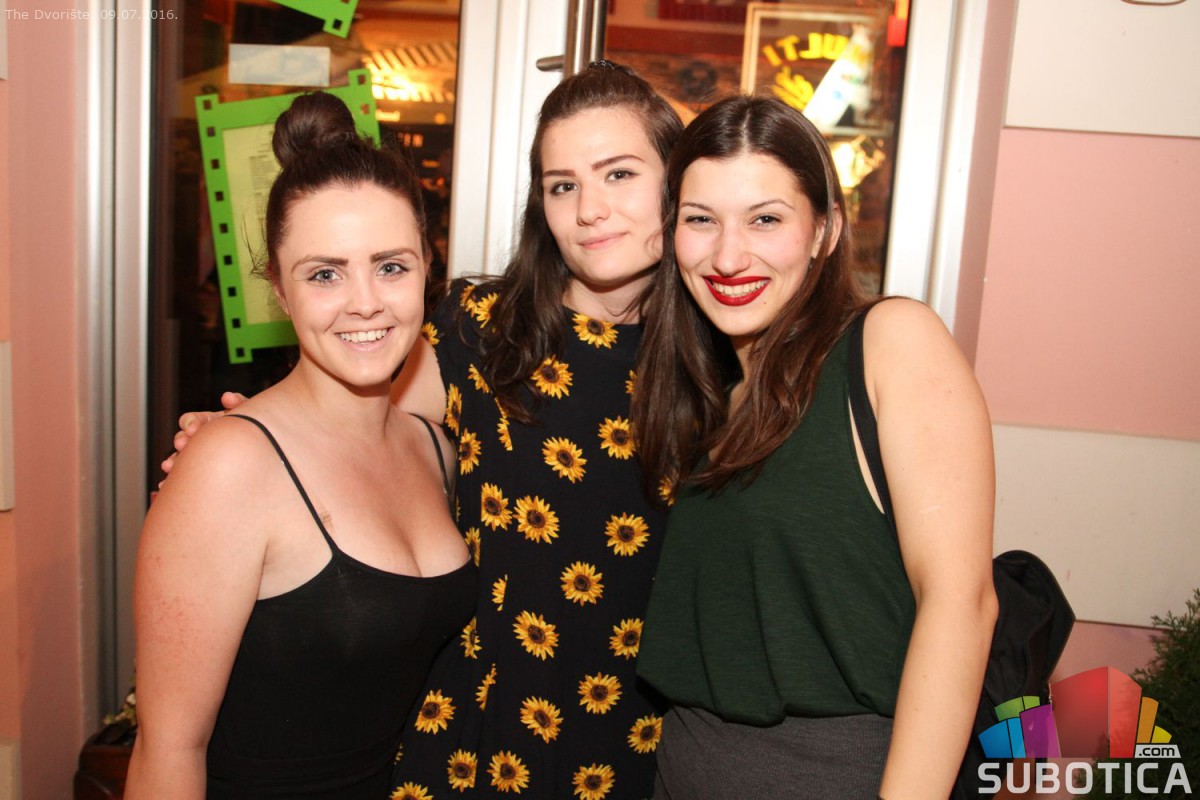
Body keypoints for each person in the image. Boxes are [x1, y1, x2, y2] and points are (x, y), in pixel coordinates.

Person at [166, 63, 684, 799]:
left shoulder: (718, 367)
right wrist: (229, 447)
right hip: (469, 747)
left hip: (631, 748)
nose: (591, 209)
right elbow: (345, 421)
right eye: (562, 185)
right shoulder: (484, 330)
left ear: (677, 182)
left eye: (620, 174)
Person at [631, 95, 998, 799]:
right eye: (701, 220)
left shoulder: (889, 342)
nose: (728, 255)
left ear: (824, 231)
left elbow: (961, 602)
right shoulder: (710, 397)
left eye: (765, 219)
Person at [126, 92, 475, 800]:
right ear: (280, 292)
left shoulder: (435, 448)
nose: (365, 301)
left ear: (427, 269)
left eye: (391, 266)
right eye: (324, 274)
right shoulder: (231, 465)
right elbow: (167, 752)